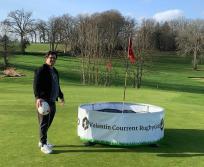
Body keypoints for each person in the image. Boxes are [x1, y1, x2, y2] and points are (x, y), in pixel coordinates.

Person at [33, 51, 64, 154]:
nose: (52, 59)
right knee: (44, 123)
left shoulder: (55, 71)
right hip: (43, 101)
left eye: (54, 58)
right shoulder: (41, 70)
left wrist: (61, 96)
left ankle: (42, 140)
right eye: (51, 57)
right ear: (46, 58)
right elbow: (36, 84)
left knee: (48, 123)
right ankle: (43, 144)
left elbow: (57, 85)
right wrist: (38, 97)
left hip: (52, 100)